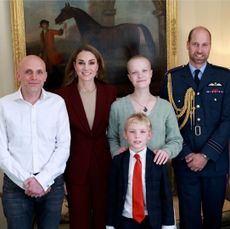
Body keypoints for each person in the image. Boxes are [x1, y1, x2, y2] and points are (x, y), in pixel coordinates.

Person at [161, 26, 230, 229]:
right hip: (185, 162)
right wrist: (187, 154)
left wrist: (206, 155)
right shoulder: (171, 79)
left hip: (215, 164)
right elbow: (168, 122)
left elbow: (228, 120)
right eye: (195, 44)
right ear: (187, 45)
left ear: (210, 47)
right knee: (189, 221)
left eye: (204, 44)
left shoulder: (225, 77)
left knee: (213, 221)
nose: (199, 49)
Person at [0, 55, 71, 229]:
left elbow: (63, 146)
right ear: (18, 75)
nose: (34, 77)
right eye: (28, 72)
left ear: (45, 76)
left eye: (39, 72)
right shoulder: (3, 105)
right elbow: (1, 150)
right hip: (15, 187)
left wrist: (42, 180)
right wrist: (27, 181)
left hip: (51, 187)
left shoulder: (57, 104)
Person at [56, 44, 117, 229]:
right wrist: (61, 177)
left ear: (98, 66)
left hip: (104, 165)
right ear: (74, 65)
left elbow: (115, 130)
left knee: (103, 218)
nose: (86, 68)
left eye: (91, 62)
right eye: (81, 63)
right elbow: (57, 139)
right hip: (75, 167)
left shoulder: (110, 92)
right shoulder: (61, 96)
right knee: (79, 220)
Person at [108, 55, 182, 164]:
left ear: (151, 73)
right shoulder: (117, 107)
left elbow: (176, 140)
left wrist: (167, 151)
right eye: (134, 72)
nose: (140, 75)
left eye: (144, 70)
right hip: (126, 169)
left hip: (157, 170)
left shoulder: (165, 107)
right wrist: (115, 152)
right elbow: (112, 138)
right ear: (129, 77)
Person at [106, 113, 176, 229]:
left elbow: (166, 195)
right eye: (132, 132)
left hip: (152, 220)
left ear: (149, 135)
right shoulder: (118, 161)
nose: (137, 136)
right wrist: (110, 224)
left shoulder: (157, 161)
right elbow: (112, 194)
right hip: (125, 219)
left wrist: (168, 224)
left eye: (142, 132)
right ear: (125, 135)